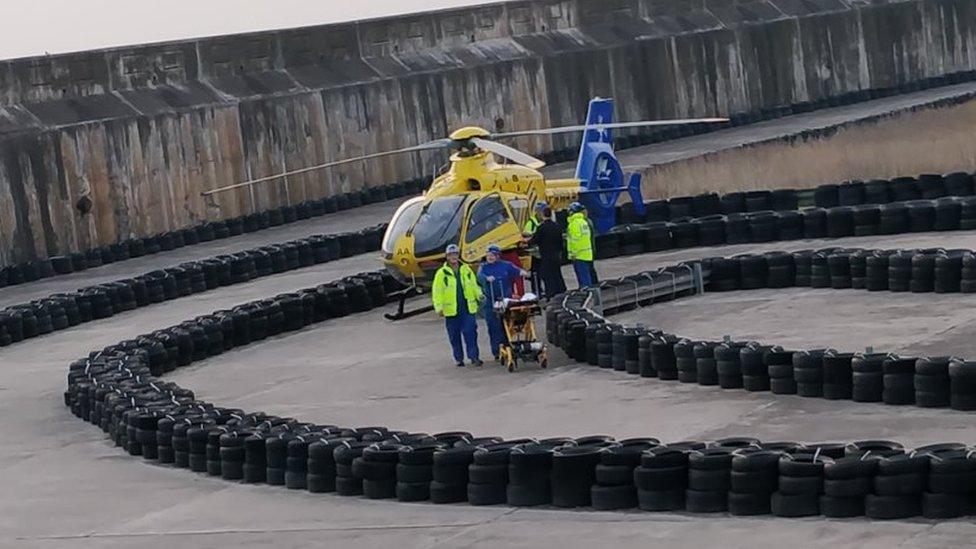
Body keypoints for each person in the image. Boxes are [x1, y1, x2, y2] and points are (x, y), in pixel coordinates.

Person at [431, 244, 483, 367]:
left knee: (471, 332)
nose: (453, 257)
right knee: (454, 336)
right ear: (447, 257)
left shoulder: (466, 270)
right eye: (450, 255)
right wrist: (439, 307)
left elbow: (473, 285)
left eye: (455, 254)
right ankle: (459, 358)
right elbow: (437, 291)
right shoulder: (441, 273)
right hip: (451, 310)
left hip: (467, 308)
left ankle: (474, 357)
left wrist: (479, 295)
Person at [478, 244, 528, 361]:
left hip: (505, 300)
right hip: (491, 301)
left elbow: (516, 271)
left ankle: (508, 346)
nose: (490, 257)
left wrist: (523, 272)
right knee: (493, 326)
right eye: (488, 255)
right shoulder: (483, 267)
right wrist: (486, 278)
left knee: (506, 324)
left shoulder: (506, 266)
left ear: (497, 256)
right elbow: (480, 276)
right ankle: (497, 351)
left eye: (492, 255)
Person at [527, 204, 566, 297]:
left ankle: (551, 294)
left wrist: (527, 242)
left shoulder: (541, 228)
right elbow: (561, 241)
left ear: (543, 215)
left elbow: (534, 241)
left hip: (546, 255)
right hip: (556, 254)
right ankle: (561, 291)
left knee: (547, 275)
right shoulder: (557, 226)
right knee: (557, 273)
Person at [566, 202, 594, 288]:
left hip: (579, 255)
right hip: (587, 254)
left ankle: (587, 296)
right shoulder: (584, 222)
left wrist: (573, 254)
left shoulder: (574, 224)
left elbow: (575, 240)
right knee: (587, 278)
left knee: (583, 280)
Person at [522, 202, 547, 294]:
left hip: (542, 252)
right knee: (536, 274)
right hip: (535, 254)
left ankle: (542, 290)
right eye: (542, 211)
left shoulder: (543, 222)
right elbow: (525, 235)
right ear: (538, 212)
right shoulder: (531, 223)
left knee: (544, 273)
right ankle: (537, 291)